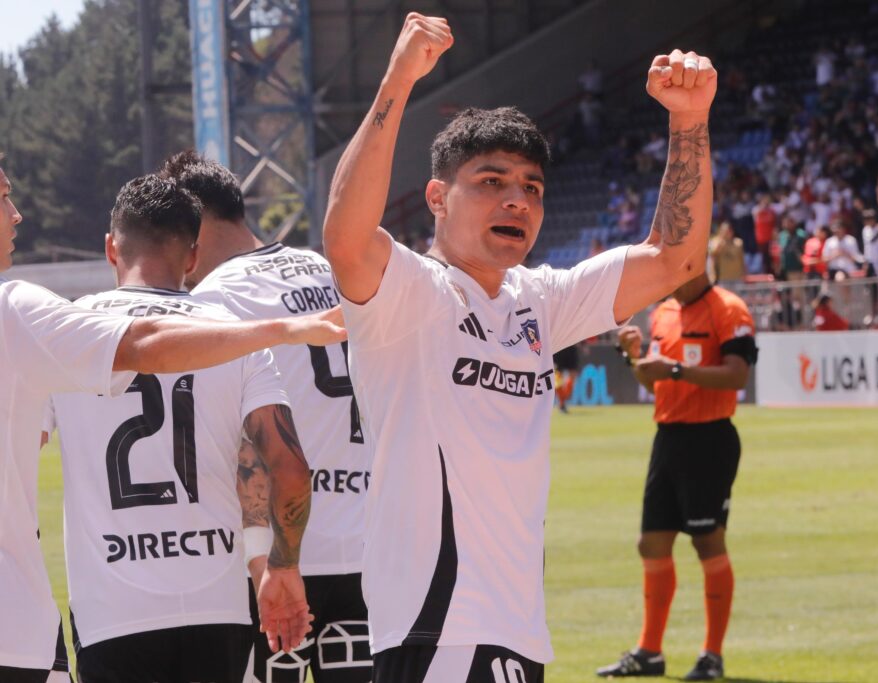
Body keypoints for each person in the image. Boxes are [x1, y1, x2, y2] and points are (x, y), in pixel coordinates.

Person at [322, 13, 717, 681]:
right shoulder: (411, 294)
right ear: (437, 199)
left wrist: (690, 121)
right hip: (436, 628)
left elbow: (673, 259)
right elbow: (348, 238)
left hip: (517, 631)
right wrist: (398, 81)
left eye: (531, 188)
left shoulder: (538, 298)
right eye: (492, 182)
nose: (517, 200)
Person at [0, 158, 337, 683]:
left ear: (111, 248)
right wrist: (282, 565)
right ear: (194, 254)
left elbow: (18, 451)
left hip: (112, 611)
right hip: (219, 606)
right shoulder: (235, 333)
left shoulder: (65, 331)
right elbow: (289, 469)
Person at [161, 150, 374, 682]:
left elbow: (220, 446)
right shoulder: (332, 269)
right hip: (373, 547)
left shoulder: (213, 303)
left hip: (281, 558)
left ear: (193, 226)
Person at [599, 270, 756, 680]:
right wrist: (633, 357)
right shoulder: (663, 313)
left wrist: (676, 371)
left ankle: (712, 656)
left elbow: (738, 375)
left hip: (711, 438)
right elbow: (654, 382)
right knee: (651, 544)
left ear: (695, 264)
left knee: (708, 542)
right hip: (668, 438)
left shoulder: (729, 309)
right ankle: (650, 652)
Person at [553, 343, 581, 414]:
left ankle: (563, 400)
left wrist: (584, 343)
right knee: (558, 376)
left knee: (573, 375)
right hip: (559, 346)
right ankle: (562, 403)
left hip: (571, 346)